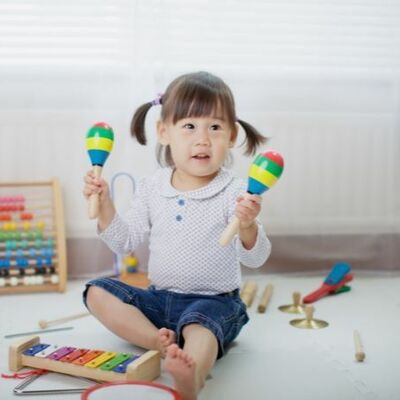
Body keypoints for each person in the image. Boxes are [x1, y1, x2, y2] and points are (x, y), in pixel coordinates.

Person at [82, 71, 271, 400]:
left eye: (214, 127)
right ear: (163, 132)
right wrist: (105, 204)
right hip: (158, 300)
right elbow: (124, 241)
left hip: (214, 302)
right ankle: (160, 341)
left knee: (201, 326)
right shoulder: (152, 186)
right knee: (97, 292)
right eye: (189, 126)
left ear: (231, 135)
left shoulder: (236, 192)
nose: (202, 139)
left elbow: (255, 258)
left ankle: (192, 376)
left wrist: (248, 226)